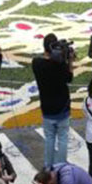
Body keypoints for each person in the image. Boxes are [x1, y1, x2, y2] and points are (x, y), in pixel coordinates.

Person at [32, 34, 74, 170]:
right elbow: (69, 78)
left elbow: (43, 60)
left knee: (49, 139)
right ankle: (60, 167)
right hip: (62, 107)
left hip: (47, 108)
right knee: (62, 138)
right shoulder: (60, 65)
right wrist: (69, 60)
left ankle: (47, 166)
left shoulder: (36, 63)